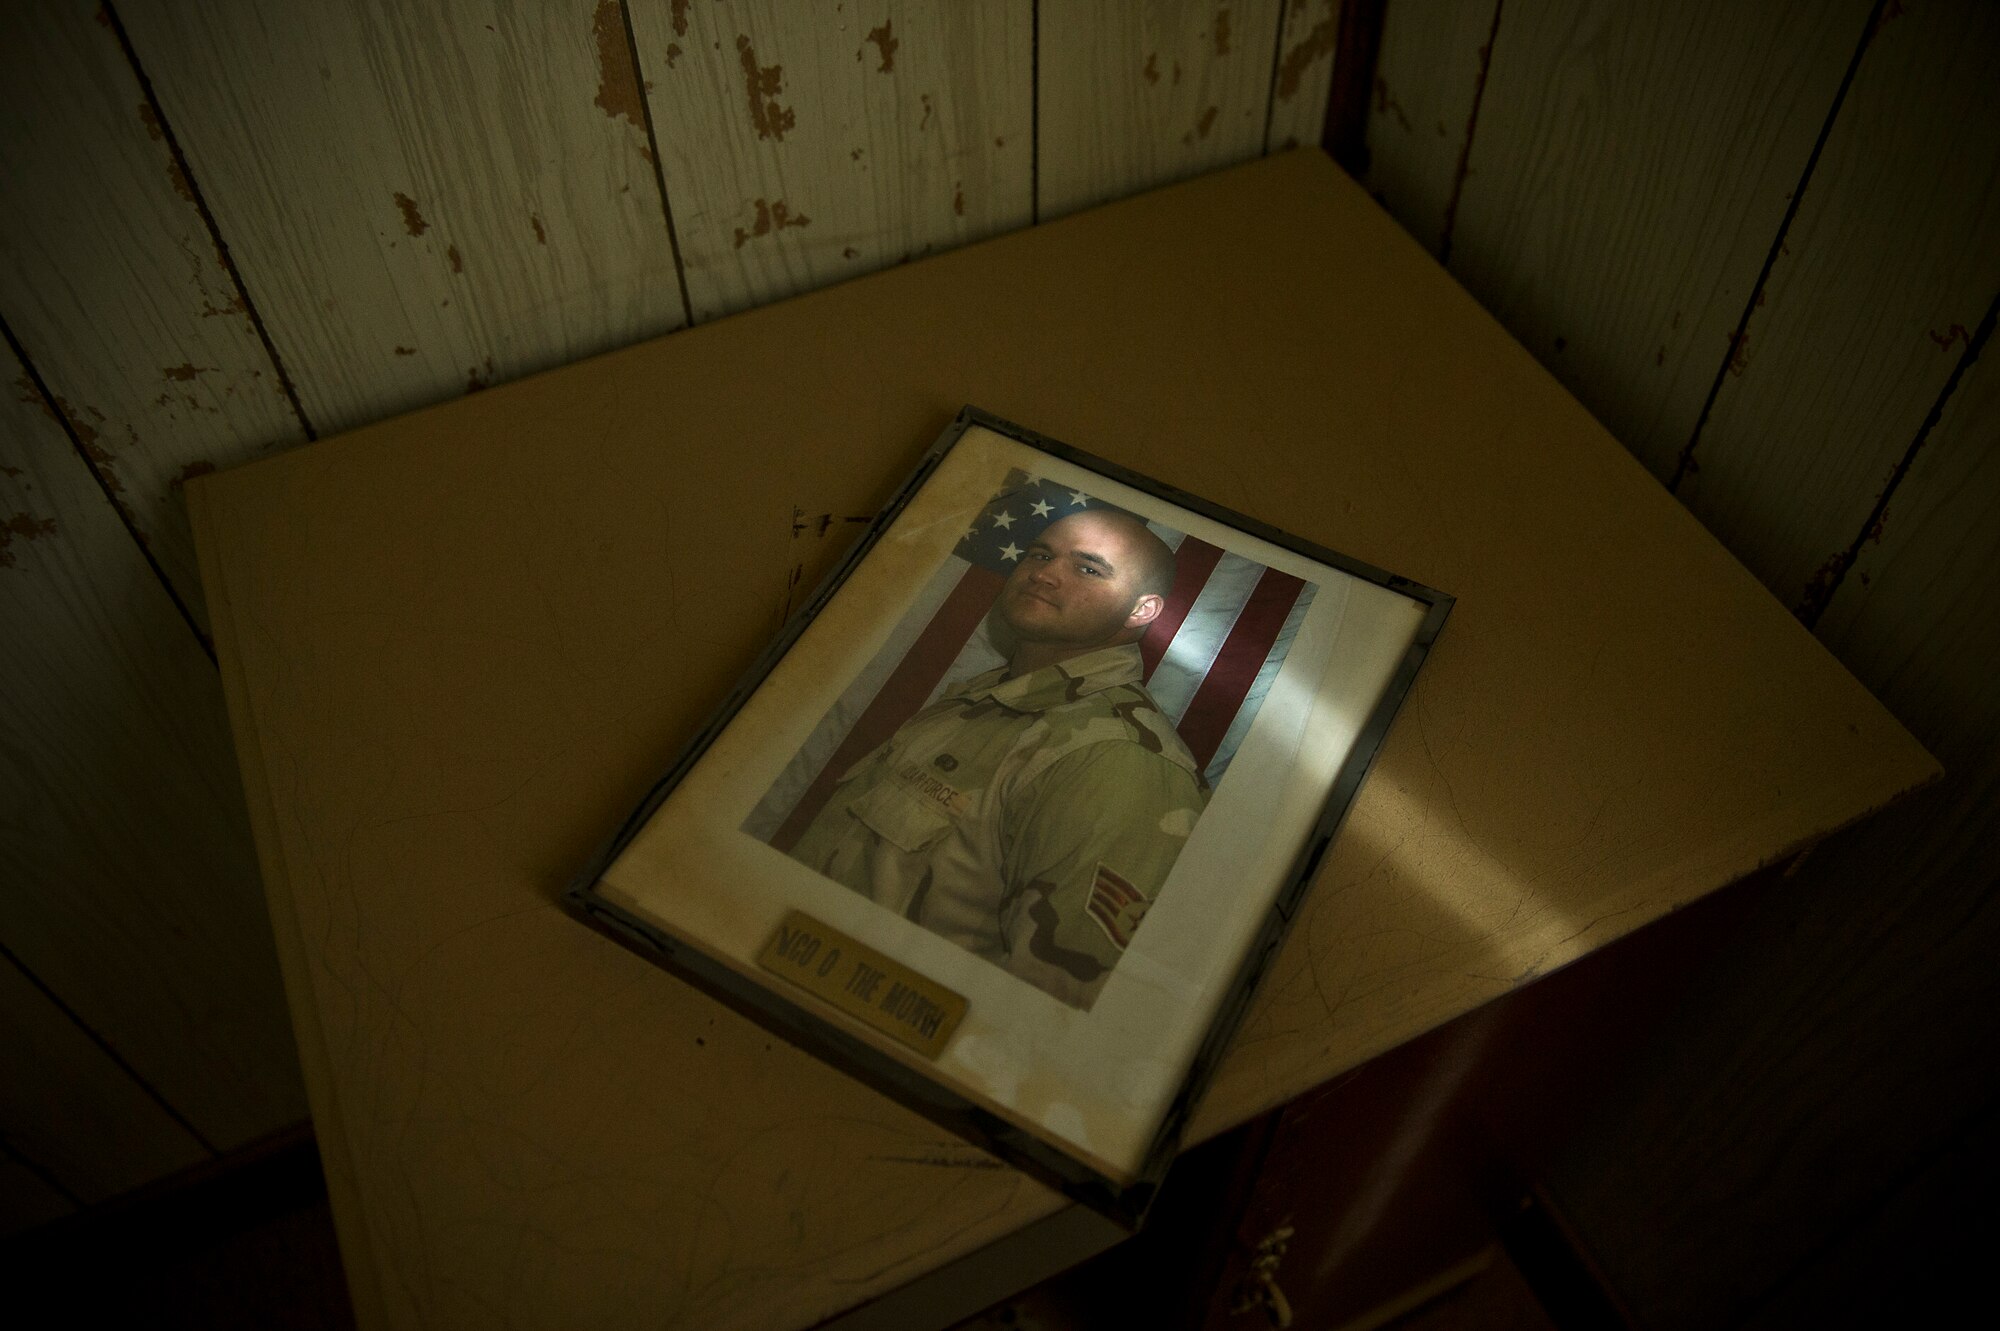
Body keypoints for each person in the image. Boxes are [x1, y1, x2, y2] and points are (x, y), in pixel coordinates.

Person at [789, 509, 1209, 1009]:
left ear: (1141, 611)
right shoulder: (989, 698)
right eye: (1039, 554)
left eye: (1088, 568)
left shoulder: (1116, 757)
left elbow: (1049, 1009)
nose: (1044, 572)